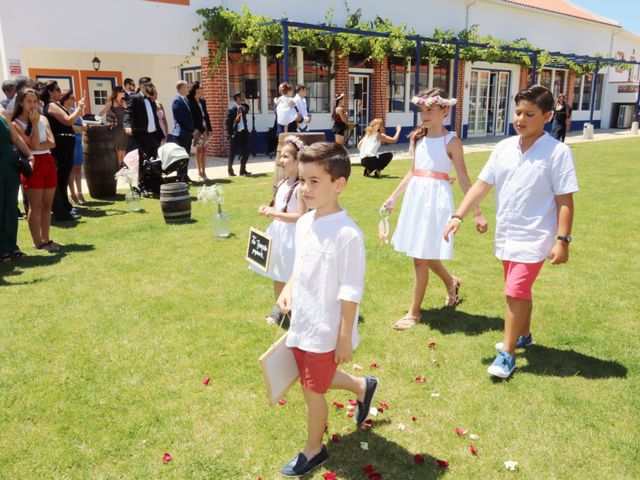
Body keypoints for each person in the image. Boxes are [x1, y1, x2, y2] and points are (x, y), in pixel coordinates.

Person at [444, 85, 578, 379]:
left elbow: (565, 200)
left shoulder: (558, 152)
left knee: (514, 291)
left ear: (547, 116)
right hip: (507, 234)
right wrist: (458, 216)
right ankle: (524, 334)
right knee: (519, 292)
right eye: (518, 112)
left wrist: (562, 240)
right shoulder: (504, 148)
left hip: (536, 236)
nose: (520, 119)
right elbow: (481, 185)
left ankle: (507, 354)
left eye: (529, 114)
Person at [276, 142, 377, 477]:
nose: (305, 189)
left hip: (326, 327)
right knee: (311, 378)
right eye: (302, 180)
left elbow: (350, 291)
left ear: (339, 184)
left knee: (312, 388)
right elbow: (300, 266)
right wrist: (289, 288)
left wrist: (345, 335)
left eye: (314, 181)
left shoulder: (348, 235)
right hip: (303, 321)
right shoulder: (305, 222)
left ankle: (314, 449)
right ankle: (363, 387)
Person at [382, 88, 488, 330]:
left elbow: (464, 179)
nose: (425, 115)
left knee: (420, 259)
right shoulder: (419, 140)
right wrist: (393, 197)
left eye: (430, 110)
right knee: (424, 254)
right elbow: (413, 171)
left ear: (445, 110)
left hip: (436, 201)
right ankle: (452, 281)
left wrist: (477, 212)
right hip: (416, 198)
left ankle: (413, 313)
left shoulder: (452, 142)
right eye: (422, 110)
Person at [252, 135, 308, 323]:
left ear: (297, 160)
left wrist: (274, 214)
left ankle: (296, 309)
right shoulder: (283, 183)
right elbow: (279, 207)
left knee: (292, 274)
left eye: (285, 157)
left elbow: (300, 215)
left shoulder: (301, 187)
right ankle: (278, 308)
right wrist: (268, 210)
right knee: (277, 273)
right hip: (279, 233)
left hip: (292, 237)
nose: (280, 161)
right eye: (280, 156)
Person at [12, 88, 62, 251]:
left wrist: (38, 144)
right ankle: (38, 242)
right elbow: (31, 145)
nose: (32, 104)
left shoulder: (43, 119)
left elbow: (52, 143)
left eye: (35, 101)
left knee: (48, 205)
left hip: (47, 160)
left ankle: (46, 239)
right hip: (33, 163)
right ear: (20, 102)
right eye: (28, 101)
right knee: (36, 205)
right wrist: (33, 124)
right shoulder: (16, 123)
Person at [41, 80, 85, 221]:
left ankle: (66, 205)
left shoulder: (55, 105)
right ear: (50, 92)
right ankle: (63, 207)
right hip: (61, 145)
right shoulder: (52, 106)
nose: (60, 92)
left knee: (64, 175)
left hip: (66, 143)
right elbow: (68, 121)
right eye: (57, 89)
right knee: (62, 176)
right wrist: (79, 108)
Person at [0, 103, 33, 261]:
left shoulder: (2, 111)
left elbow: (15, 137)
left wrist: (30, 156)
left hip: (10, 166)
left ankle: (12, 246)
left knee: (11, 207)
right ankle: (2, 249)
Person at [123, 77, 164, 193]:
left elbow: (154, 118)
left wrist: (160, 133)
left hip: (153, 136)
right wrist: (127, 126)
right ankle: (142, 185)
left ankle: (153, 184)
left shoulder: (151, 100)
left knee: (154, 161)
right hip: (141, 135)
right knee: (143, 161)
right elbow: (128, 113)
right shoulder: (134, 98)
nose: (151, 87)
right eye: (148, 85)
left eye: (151, 84)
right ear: (142, 87)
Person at [60, 90, 87, 205]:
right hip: (69, 142)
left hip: (78, 142)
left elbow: (81, 125)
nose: (74, 100)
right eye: (71, 98)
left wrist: (83, 126)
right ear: (65, 98)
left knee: (78, 169)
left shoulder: (74, 111)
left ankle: (80, 192)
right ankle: (73, 194)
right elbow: (72, 127)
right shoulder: (63, 112)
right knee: (70, 170)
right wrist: (82, 128)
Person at [167, 80, 195, 179]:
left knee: (186, 155)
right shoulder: (177, 101)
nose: (189, 89)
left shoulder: (185, 100)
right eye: (187, 87)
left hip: (187, 132)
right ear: (181, 88)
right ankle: (180, 176)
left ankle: (184, 175)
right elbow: (181, 118)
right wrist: (192, 129)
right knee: (181, 156)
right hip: (182, 133)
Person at [187, 81, 212, 182]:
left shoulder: (202, 101)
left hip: (205, 127)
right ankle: (199, 172)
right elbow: (194, 118)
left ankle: (204, 172)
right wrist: (202, 131)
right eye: (201, 88)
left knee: (204, 150)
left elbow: (206, 115)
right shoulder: (190, 101)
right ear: (196, 89)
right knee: (199, 151)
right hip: (197, 129)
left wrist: (209, 129)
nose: (202, 90)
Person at [99, 86, 128, 167]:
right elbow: (104, 111)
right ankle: (119, 164)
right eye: (122, 91)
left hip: (124, 127)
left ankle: (122, 163)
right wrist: (96, 118)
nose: (124, 92)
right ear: (118, 92)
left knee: (124, 146)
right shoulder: (111, 102)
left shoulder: (123, 102)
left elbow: (128, 113)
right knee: (118, 146)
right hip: (116, 127)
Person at [225, 91, 251, 177]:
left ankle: (242, 170)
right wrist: (230, 133)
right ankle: (230, 171)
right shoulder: (232, 110)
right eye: (240, 98)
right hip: (235, 134)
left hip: (243, 133)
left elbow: (248, 107)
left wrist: (243, 102)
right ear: (236, 99)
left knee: (246, 152)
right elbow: (228, 123)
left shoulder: (243, 108)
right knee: (232, 153)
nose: (242, 99)